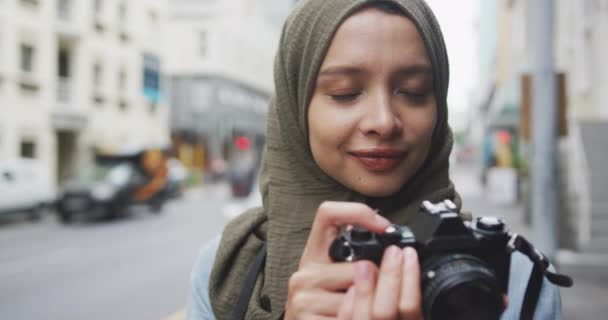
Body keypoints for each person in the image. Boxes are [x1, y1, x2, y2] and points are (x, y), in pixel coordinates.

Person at [187, 0, 563, 319]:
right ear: (295, 108)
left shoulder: (516, 278)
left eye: (414, 92)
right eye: (345, 92)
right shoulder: (225, 272)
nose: (384, 121)